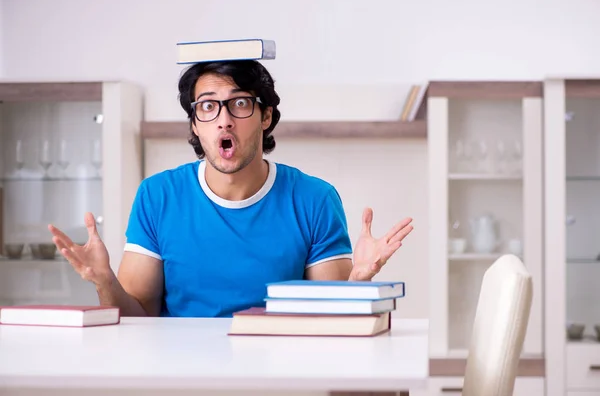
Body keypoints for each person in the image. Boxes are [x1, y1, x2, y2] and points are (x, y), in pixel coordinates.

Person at [48, 59, 413, 318]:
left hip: (280, 374)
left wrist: (358, 285)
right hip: (181, 376)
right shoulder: (157, 196)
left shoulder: (314, 199)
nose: (224, 120)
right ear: (194, 124)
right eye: (207, 107)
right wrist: (104, 280)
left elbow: (328, 323)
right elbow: (138, 315)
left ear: (265, 116)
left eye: (239, 104)